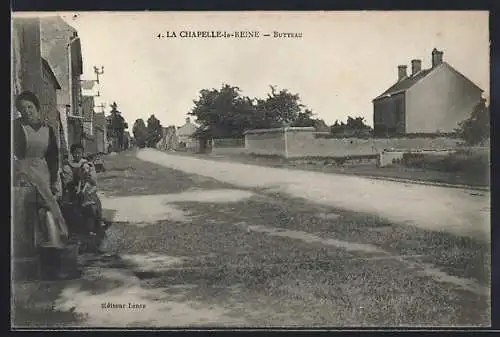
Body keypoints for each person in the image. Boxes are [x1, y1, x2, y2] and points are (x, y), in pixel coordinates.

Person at [13, 91, 69, 248]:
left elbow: (53, 157)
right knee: (24, 208)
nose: (26, 111)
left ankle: (58, 241)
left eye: (30, 107)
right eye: (22, 109)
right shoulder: (16, 126)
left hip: (42, 172)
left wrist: (52, 180)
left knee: (49, 205)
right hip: (22, 171)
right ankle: (27, 246)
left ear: (37, 108)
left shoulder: (48, 129)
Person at [61, 143, 104, 236]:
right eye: (75, 153)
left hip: (87, 190)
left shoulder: (88, 164)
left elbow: (93, 181)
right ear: (72, 154)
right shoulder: (68, 166)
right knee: (66, 206)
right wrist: (74, 185)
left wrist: (88, 181)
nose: (77, 155)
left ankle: (96, 225)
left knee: (93, 204)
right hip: (72, 191)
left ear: (82, 153)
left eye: (79, 153)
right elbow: (67, 181)